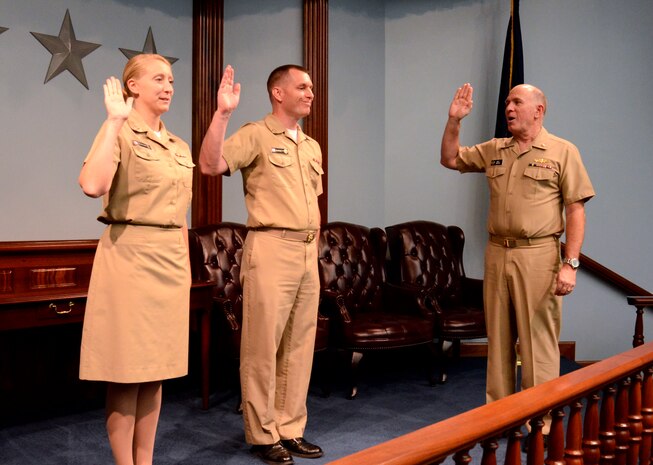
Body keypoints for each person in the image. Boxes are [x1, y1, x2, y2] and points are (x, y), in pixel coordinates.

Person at [440, 83, 595, 434]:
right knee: (499, 339)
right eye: (508, 102)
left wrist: (570, 264)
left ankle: (540, 423)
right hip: (498, 253)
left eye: (517, 102)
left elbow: (576, 210)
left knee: (538, 343)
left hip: (538, 254)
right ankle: (501, 418)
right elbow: (450, 159)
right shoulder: (496, 150)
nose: (508, 107)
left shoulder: (562, 151)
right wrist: (454, 121)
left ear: (538, 111)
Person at [199, 64, 324, 465]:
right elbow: (210, 165)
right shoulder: (256, 133)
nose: (309, 93)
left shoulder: (311, 146)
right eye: (301, 87)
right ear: (278, 93)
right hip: (271, 246)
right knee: (262, 347)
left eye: (311, 88)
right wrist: (222, 114)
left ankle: (291, 428)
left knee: (300, 346)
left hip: (308, 250)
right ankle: (262, 433)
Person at [78, 54, 194, 465]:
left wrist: (186, 270)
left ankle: (145, 461)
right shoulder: (120, 131)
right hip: (129, 258)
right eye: (159, 78)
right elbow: (93, 184)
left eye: (172, 80)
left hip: (170, 263)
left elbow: (180, 215)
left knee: (156, 369)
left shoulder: (178, 145)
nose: (169, 87)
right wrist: (113, 121)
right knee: (127, 370)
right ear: (133, 87)